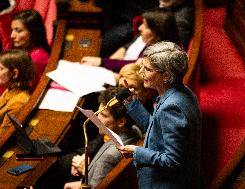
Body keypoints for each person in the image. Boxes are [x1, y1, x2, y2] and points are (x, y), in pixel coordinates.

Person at [117, 41, 202, 188]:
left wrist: (137, 152)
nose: (140, 72)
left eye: (148, 69)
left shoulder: (171, 107)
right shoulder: (181, 91)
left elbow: (172, 159)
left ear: (166, 76)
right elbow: (156, 126)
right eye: (142, 66)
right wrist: (131, 102)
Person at [35, 87, 140, 189]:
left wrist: (85, 170)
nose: (96, 117)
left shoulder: (109, 156)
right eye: (98, 112)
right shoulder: (135, 131)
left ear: (121, 122)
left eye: (103, 115)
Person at [81, 8, 179, 73]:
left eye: (145, 26)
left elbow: (134, 66)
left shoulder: (157, 58)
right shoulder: (152, 42)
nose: (140, 28)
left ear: (158, 32)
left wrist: (102, 62)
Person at [0, 49, 35, 145]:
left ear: (15, 73)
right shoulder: (10, 89)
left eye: (1, 69)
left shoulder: (18, 102)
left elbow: (2, 138)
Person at [10, 9, 50, 90]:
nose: (12, 35)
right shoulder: (25, 51)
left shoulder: (38, 56)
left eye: (18, 31)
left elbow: (29, 90)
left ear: (33, 32)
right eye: (12, 30)